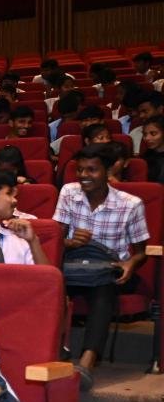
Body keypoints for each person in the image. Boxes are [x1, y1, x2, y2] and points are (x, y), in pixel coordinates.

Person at [54, 145, 149, 377]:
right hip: (74, 266)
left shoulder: (130, 204)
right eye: (80, 170)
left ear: (108, 171)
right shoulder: (69, 192)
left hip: (110, 269)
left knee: (104, 288)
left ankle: (87, 363)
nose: (84, 175)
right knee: (50, 284)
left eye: (92, 170)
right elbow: (56, 241)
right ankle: (52, 353)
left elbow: (141, 252)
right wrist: (70, 242)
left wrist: (130, 264)